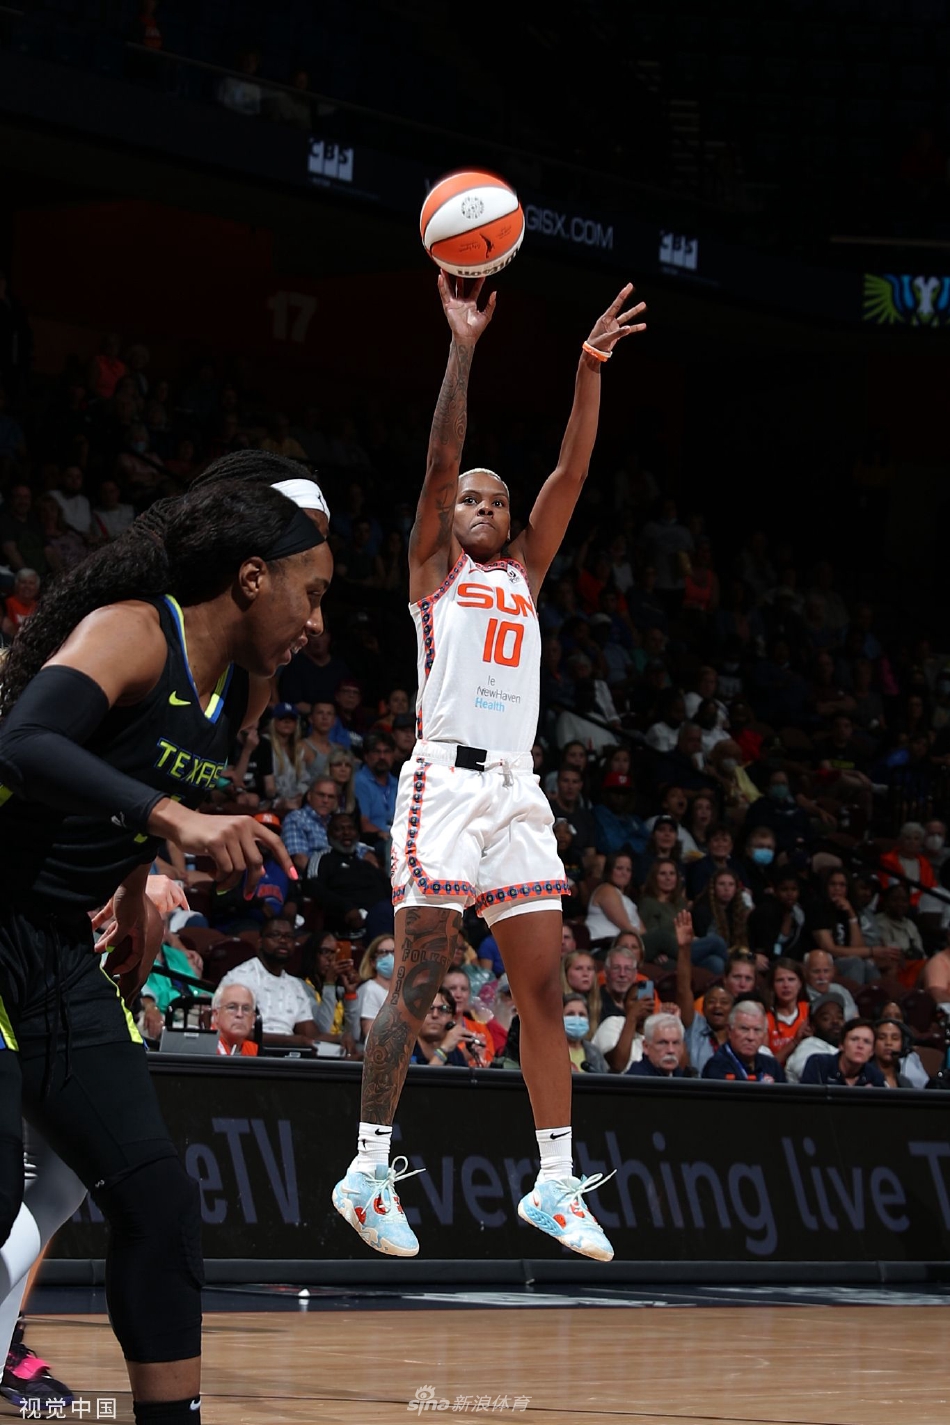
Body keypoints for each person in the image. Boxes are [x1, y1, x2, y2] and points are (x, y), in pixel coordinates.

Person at [0, 462, 330, 1424]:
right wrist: (170, 820)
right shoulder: (137, 629)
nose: (318, 622)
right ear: (253, 576)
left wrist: (138, 876)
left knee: (161, 1206)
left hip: (56, 942)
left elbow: (127, 770)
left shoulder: (241, 692)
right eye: (312, 593)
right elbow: (23, 744)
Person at [334, 273, 645, 1262]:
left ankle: (553, 1183)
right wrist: (461, 347)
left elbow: (571, 471)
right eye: (468, 496)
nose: (477, 503)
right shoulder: (435, 574)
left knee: (544, 991)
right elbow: (440, 458)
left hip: (515, 788)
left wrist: (587, 369)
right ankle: (366, 1171)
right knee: (422, 974)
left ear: (508, 521)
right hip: (443, 783)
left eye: (492, 499)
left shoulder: (524, 572)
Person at [218, 919, 316, 1049]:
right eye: (275, 935)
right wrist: (289, 1041)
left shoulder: (295, 985)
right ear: (260, 942)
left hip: (289, 1054)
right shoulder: (241, 977)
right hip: (246, 1053)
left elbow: (311, 1036)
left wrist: (339, 1038)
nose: (283, 941)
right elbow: (233, 1031)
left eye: (289, 937)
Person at [702, 1001, 787, 1082]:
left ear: (764, 1034)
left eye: (757, 1030)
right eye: (744, 1029)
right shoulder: (716, 1067)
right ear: (729, 1031)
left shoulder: (772, 1066)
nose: (751, 1037)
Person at [801, 1018, 885, 1087]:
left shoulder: (876, 1077)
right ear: (841, 1045)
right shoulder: (818, 1064)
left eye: (866, 1042)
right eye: (854, 1039)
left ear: (872, 1051)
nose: (860, 1046)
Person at [585, 852, 643, 948]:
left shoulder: (628, 900)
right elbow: (626, 927)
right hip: (604, 945)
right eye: (619, 868)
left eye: (628, 870)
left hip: (627, 946)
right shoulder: (606, 890)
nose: (624, 873)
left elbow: (642, 930)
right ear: (609, 870)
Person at [784, 994, 845, 1083]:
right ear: (812, 1025)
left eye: (840, 1017)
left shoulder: (843, 1048)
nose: (835, 1021)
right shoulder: (807, 1048)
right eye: (826, 1018)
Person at [764, 958, 809, 1067]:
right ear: (772, 986)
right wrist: (795, 1041)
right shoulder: (765, 1018)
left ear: (800, 984)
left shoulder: (809, 1011)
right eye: (780, 980)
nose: (786, 985)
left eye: (791, 979)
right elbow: (766, 1066)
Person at [356, 935, 396, 1043]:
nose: (390, 957)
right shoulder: (369, 990)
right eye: (383, 953)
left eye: (394, 952)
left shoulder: (405, 990)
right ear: (373, 962)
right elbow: (371, 1034)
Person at [802, 948, 859, 1021]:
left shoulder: (840, 990)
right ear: (805, 972)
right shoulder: (800, 995)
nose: (822, 977)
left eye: (826, 971)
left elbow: (855, 1016)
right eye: (816, 971)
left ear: (832, 972)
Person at [625, 1013, 688, 1077]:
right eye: (663, 1043)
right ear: (646, 1047)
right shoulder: (636, 1078)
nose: (671, 1050)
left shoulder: (681, 1075)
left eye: (675, 1043)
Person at [562, 993, 608, 1073]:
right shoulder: (549, 1051)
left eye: (582, 1014)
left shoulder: (595, 1052)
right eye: (570, 1014)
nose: (577, 1019)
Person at [210, 983, 259, 1057]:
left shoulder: (256, 1051)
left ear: (253, 1019)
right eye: (232, 1007)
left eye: (246, 1009)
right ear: (216, 1014)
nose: (240, 1014)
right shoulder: (202, 1046)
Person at [873, 1019, 916, 1088]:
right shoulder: (864, 1079)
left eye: (895, 1038)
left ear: (903, 1045)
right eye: (882, 1037)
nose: (888, 1043)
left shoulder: (906, 1083)